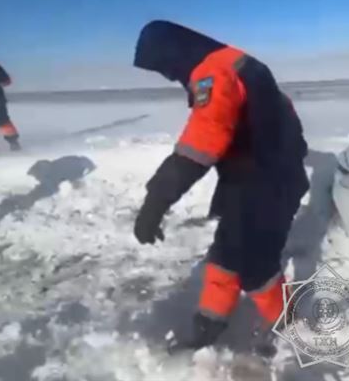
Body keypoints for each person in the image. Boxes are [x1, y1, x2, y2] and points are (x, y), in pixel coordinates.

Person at [131, 20, 309, 355]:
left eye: (164, 67)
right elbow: (286, 113)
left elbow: (202, 142)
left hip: (267, 186)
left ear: (173, 53)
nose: (168, 76)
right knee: (227, 252)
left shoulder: (214, 73)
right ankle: (209, 325)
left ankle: (292, 329)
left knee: (257, 267)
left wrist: (156, 200)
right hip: (256, 180)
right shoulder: (243, 65)